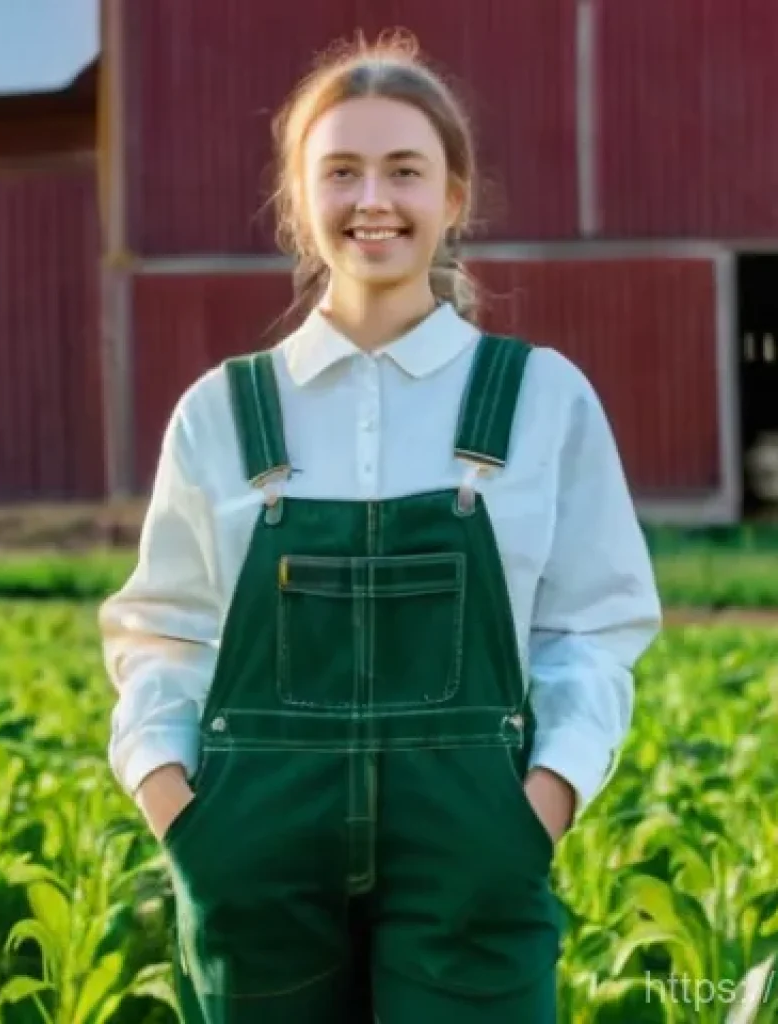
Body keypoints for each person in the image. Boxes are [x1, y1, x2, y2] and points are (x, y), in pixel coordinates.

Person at [99, 30, 662, 1024]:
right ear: (298, 198)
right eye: (341, 171)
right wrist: (175, 809)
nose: (373, 200)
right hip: (254, 855)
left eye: (404, 170)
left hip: (474, 851)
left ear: (453, 198)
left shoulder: (540, 398)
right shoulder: (223, 412)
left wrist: (544, 801)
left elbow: (593, 625)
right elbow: (163, 635)